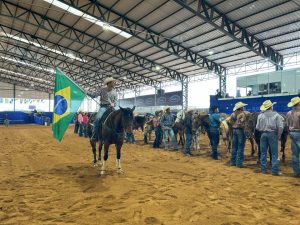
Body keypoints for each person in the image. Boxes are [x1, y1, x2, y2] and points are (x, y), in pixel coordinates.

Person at [256, 100, 283, 176]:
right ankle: (274, 171)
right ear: (271, 106)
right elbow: (280, 127)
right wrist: (278, 135)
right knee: (274, 153)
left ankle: (263, 169)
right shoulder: (276, 115)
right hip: (272, 134)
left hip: (263, 134)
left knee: (263, 153)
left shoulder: (260, 115)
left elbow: (257, 127)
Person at [227, 102, 249, 168]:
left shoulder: (233, 114)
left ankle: (232, 162)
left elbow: (230, 122)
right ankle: (239, 163)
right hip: (240, 131)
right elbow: (243, 122)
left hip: (234, 131)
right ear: (241, 107)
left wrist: (234, 125)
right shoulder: (243, 114)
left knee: (234, 147)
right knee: (240, 147)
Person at [286, 97, 300, 177]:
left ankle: (296, 172)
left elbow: (287, 126)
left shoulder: (289, 113)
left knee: (294, 154)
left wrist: (290, 133)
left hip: (292, 133)